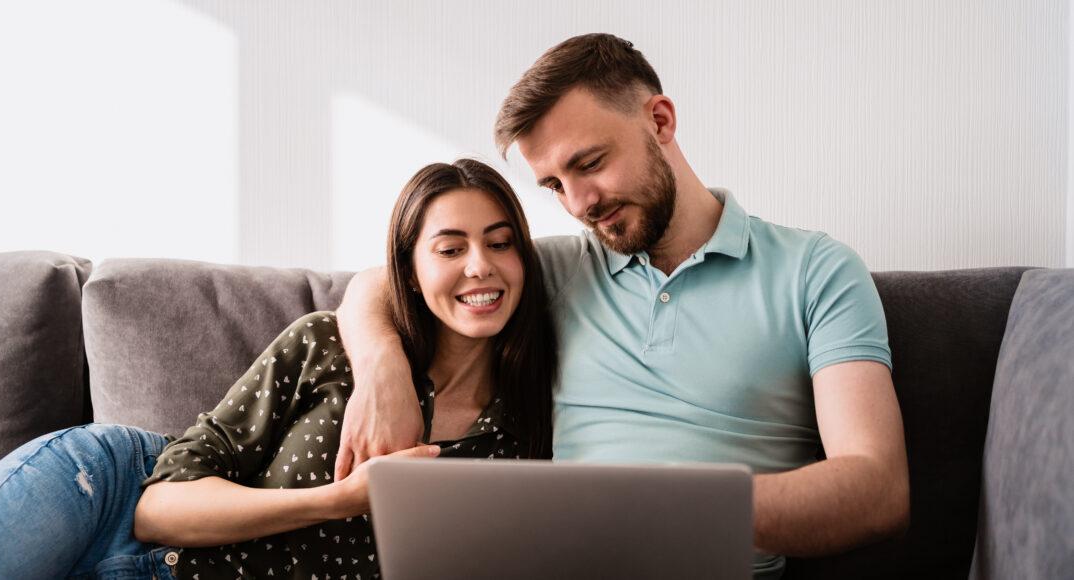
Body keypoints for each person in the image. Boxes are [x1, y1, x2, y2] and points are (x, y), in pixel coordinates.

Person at [334, 34, 909, 578]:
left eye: (588, 164)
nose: (580, 203)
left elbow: (877, 490)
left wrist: (658, 512)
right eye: (554, 186)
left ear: (660, 120)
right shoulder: (557, 270)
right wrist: (381, 371)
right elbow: (383, 283)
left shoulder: (815, 270)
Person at [0, 159, 556, 579]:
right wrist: (338, 500)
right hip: (101, 494)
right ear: (412, 274)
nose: (480, 266)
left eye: (500, 244)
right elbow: (158, 508)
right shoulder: (330, 346)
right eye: (451, 249)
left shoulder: (523, 434)